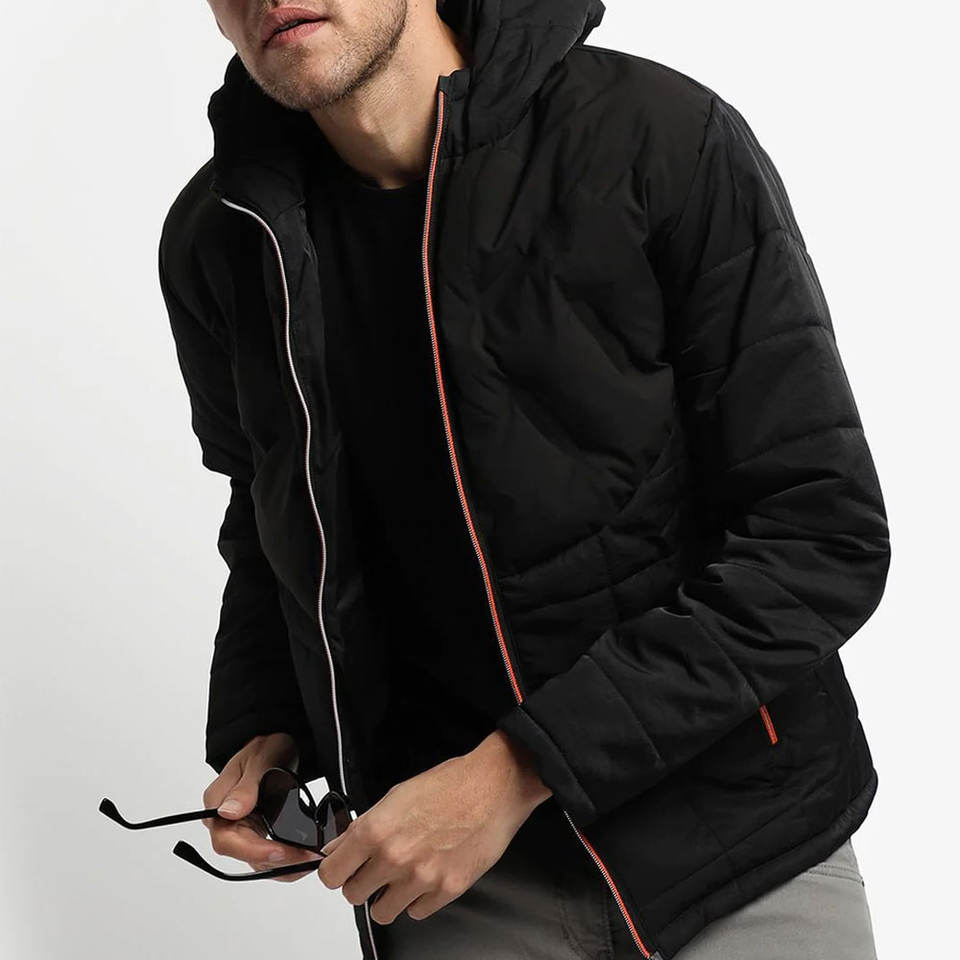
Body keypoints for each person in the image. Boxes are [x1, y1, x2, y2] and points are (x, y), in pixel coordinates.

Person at [157, 1, 890, 958]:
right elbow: (267, 520)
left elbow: (819, 535)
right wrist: (268, 723)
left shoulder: (659, 138)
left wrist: (513, 773)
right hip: (458, 890)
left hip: (738, 835)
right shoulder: (222, 238)